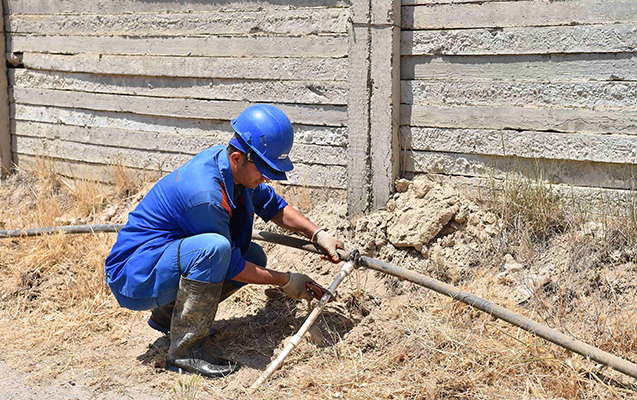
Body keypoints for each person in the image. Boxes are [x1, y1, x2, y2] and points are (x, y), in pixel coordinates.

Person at [104, 104, 344, 378]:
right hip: (134, 275)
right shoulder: (205, 194)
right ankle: (184, 353)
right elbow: (228, 264)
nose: (267, 178)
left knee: (253, 255)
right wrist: (286, 281)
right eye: (264, 169)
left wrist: (317, 234)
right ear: (239, 158)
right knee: (215, 250)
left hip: (160, 260)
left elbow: (272, 205)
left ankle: (169, 316)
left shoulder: (231, 167)